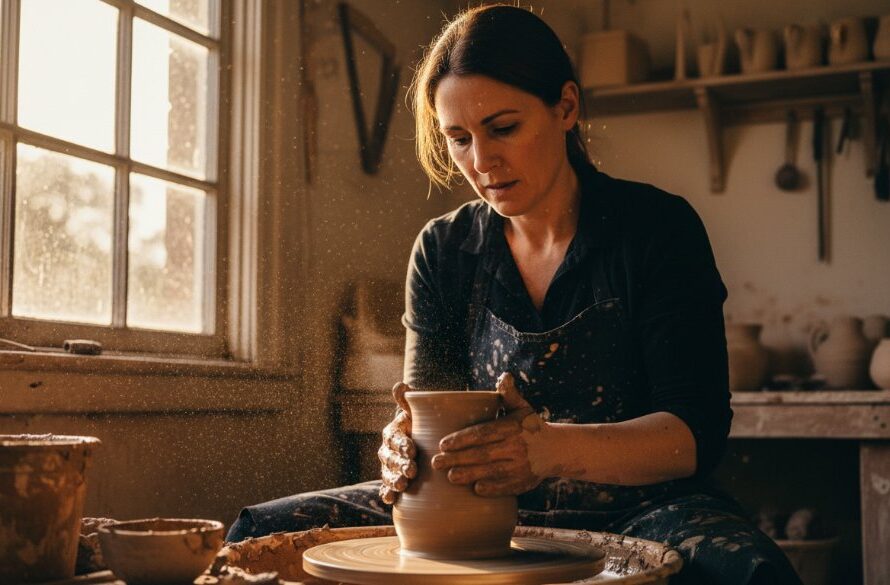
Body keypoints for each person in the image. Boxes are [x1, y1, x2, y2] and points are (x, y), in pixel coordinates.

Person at [227, 5, 802, 584]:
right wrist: (402, 446)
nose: (481, 162)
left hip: (641, 509)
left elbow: (694, 436)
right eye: (458, 139)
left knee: (750, 570)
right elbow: (427, 415)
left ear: (566, 108)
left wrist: (549, 450)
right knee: (259, 534)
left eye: (503, 128)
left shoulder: (657, 230)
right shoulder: (444, 250)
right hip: (479, 505)